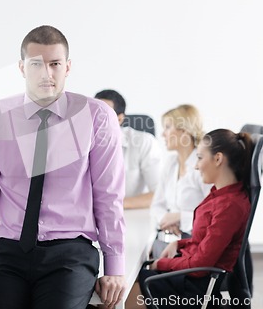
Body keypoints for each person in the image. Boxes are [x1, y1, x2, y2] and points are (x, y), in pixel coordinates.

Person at [0, 25, 126, 309]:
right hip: (6, 248)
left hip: (70, 250)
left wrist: (114, 266)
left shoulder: (97, 117)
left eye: (55, 64)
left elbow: (109, 197)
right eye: (36, 64)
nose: (47, 73)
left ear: (68, 67)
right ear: (21, 68)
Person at [137, 129, 254, 308]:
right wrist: (179, 244)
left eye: (200, 158)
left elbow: (201, 264)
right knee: (141, 271)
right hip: (192, 276)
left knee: (136, 281)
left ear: (218, 159)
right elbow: (205, 241)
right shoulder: (219, 194)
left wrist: (162, 264)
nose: (196, 166)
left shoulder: (230, 205)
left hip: (197, 288)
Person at [150, 105, 211, 257]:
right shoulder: (171, 162)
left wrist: (179, 217)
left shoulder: (203, 166)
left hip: (199, 244)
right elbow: (156, 205)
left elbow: (215, 216)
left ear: (184, 131)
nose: (163, 134)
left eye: (168, 127)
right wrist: (165, 219)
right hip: (174, 240)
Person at [94, 89, 162, 209]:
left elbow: (160, 194)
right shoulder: (80, 142)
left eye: (104, 114)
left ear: (119, 119)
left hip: (130, 215)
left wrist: (113, 205)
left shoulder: (144, 142)